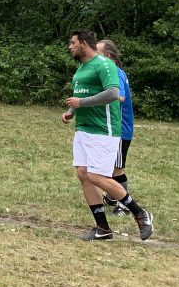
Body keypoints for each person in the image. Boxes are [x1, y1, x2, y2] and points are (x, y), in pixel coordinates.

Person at [62, 30, 153, 241]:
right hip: (83, 129)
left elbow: (113, 94)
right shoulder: (82, 68)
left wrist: (81, 103)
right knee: (84, 174)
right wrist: (72, 111)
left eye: (73, 43)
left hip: (103, 129)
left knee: (96, 176)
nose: (70, 46)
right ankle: (103, 228)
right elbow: (82, 95)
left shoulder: (104, 64)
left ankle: (140, 213)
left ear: (83, 43)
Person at [97, 39, 135, 216]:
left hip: (120, 129)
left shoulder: (116, 73)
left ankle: (124, 205)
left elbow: (120, 97)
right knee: (108, 165)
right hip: (111, 128)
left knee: (116, 168)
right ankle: (113, 197)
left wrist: (97, 97)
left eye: (98, 53)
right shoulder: (111, 72)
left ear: (108, 55)